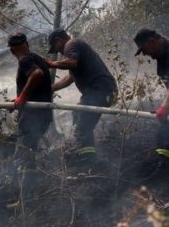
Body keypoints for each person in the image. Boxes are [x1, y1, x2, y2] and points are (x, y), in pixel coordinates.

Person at [46, 28, 117, 170]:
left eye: (56, 48)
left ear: (59, 40)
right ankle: (87, 156)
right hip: (103, 90)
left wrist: (50, 64)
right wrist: (49, 89)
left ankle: (88, 161)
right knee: (78, 115)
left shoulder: (70, 44)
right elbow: (70, 78)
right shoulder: (76, 50)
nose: (59, 52)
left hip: (99, 89)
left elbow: (71, 63)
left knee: (82, 125)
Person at [8, 33, 53, 212]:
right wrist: (21, 98)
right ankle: (32, 198)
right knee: (29, 155)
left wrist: (22, 97)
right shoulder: (36, 57)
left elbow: (37, 74)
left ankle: (28, 202)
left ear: (12, 51)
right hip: (43, 115)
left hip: (33, 117)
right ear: (26, 43)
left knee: (24, 156)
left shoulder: (25, 60)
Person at [133, 28, 169, 172]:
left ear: (152, 42)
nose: (145, 54)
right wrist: (164, 106)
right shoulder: (162, 61)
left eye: (145, 49)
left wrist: (165, 107)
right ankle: (163, 162)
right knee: (164, 129)